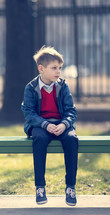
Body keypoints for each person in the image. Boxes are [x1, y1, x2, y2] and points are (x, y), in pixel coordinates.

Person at [21, 46, 78, 206]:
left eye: (60, 68)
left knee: (71, 140)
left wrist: (64, 124)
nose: (58, 71)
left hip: (61, 124)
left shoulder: (62, 86)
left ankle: (70, 187)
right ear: (41, 69)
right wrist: (45, 124)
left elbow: (71, 111)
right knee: (39, 139)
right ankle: (40, 187)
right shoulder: (31, 88)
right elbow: (29, 113)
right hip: (40, 125)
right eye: (54, 68)